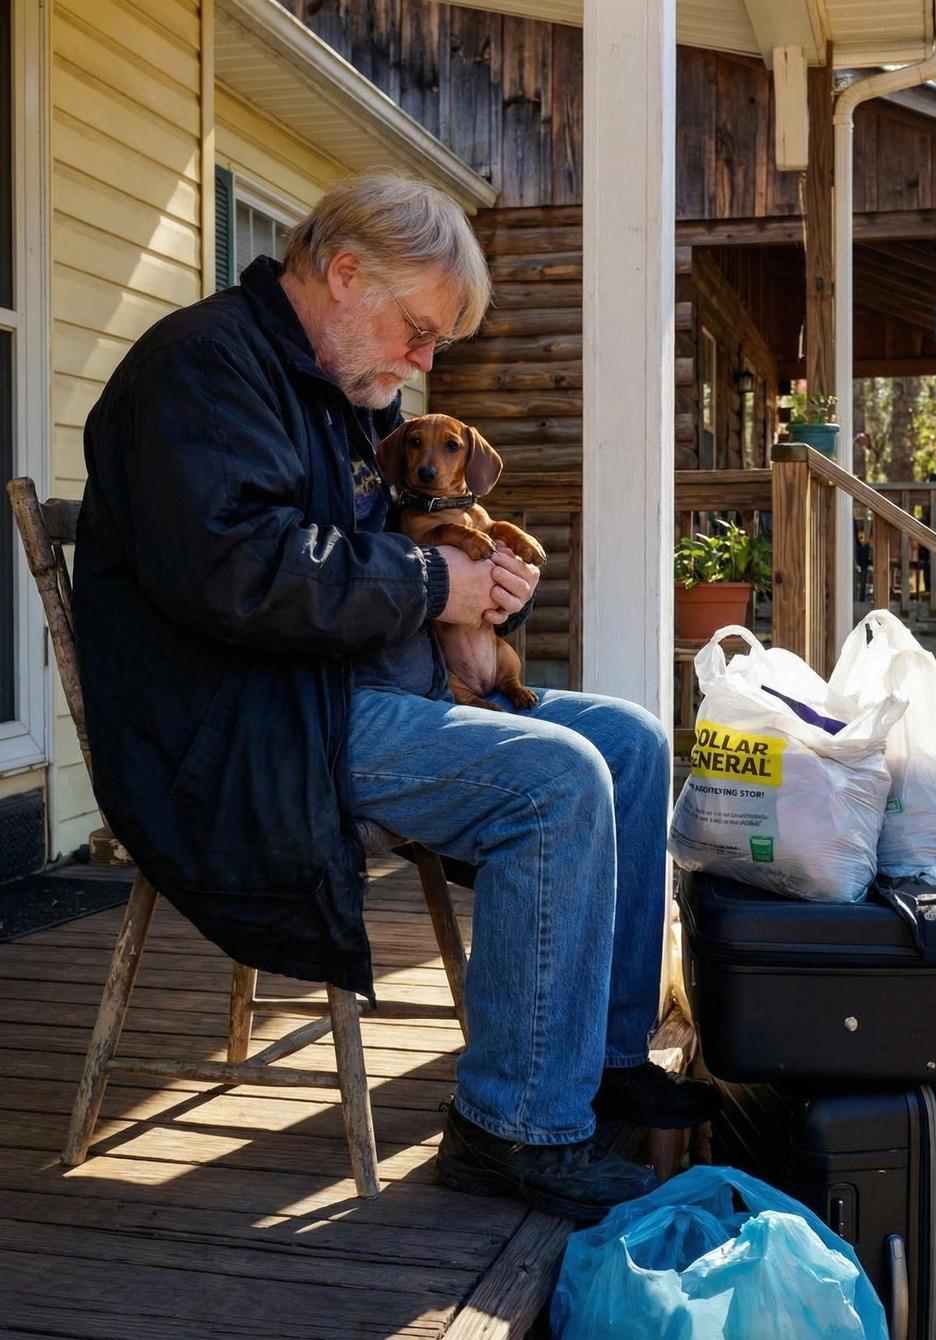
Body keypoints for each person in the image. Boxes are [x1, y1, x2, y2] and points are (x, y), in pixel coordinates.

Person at [72, 171, 715, 1222]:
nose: (426, 362)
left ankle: (594, 1059)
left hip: (346, 690)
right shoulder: (197, 370)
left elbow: (360, 557)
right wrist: (429, 581)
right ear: (343, 273)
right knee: (556, 777)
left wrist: (477, 592)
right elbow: (239, 569)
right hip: (242, 729)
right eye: (419, 331)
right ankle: (512, 1125)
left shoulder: (338, 393)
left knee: (631, 739)